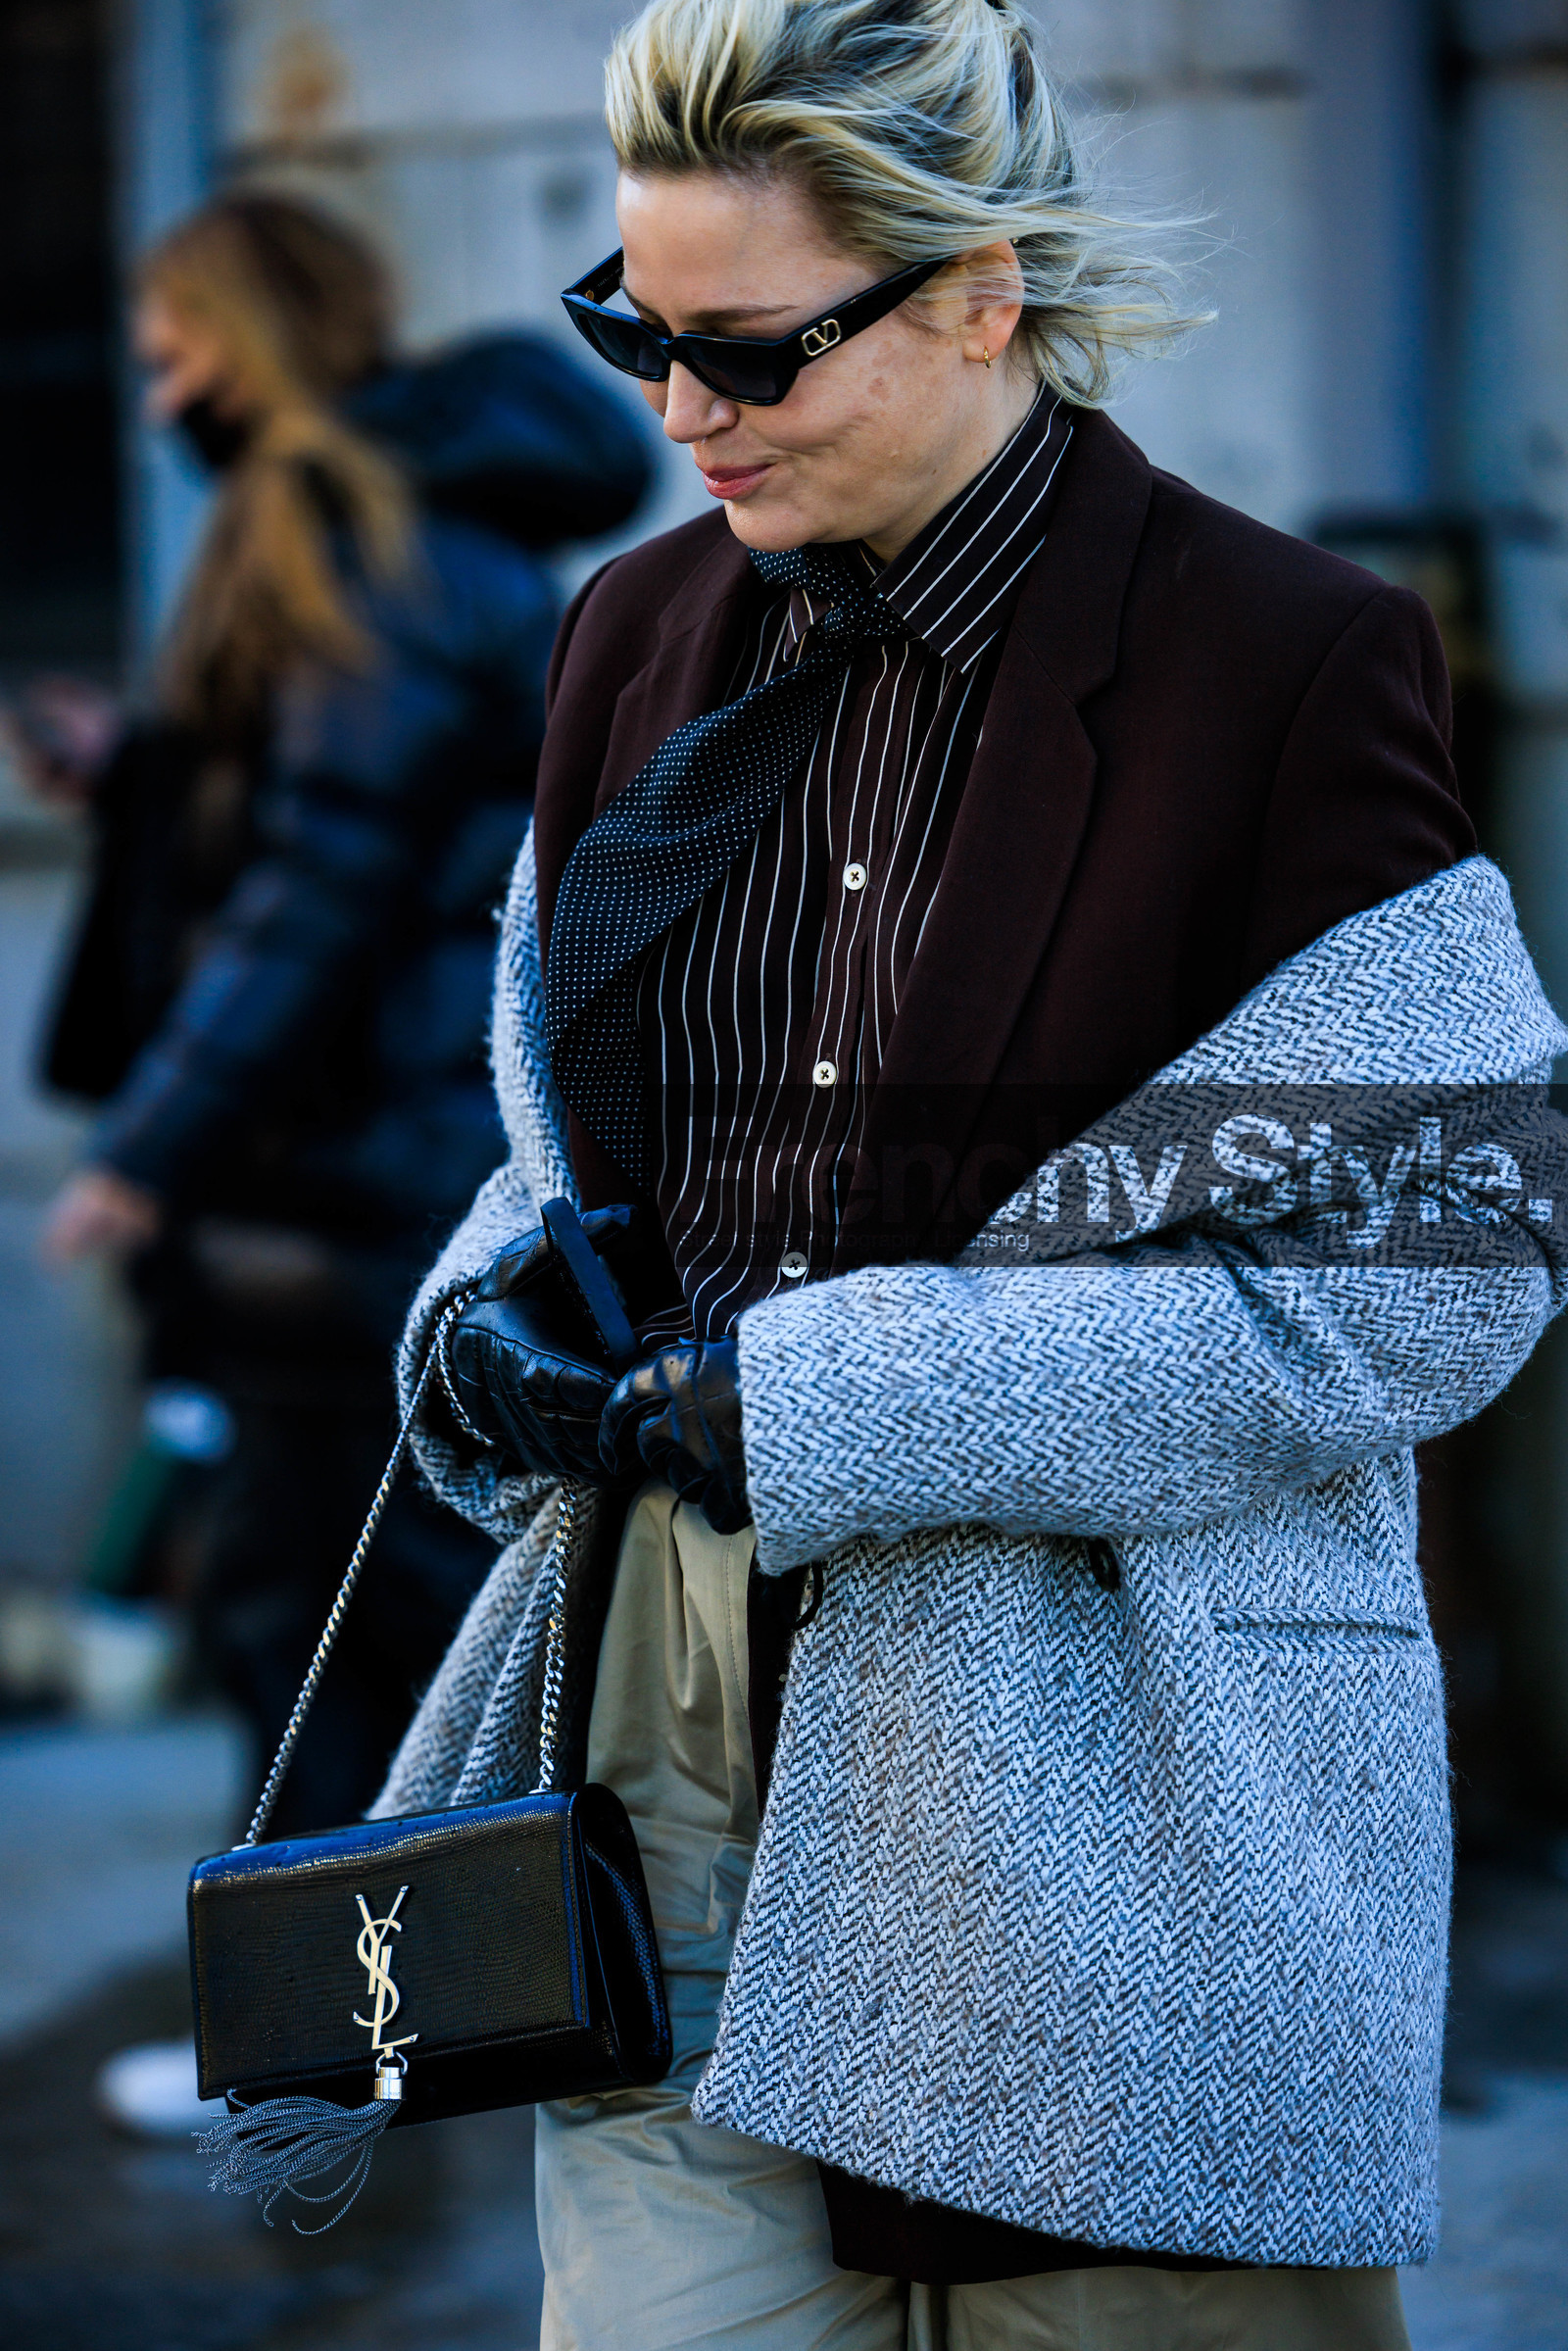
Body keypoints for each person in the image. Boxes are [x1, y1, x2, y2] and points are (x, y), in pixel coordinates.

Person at [372, 4, 1568, 2346]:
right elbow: (563, 1135)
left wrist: (841, 1399)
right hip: (660, 1692)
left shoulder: (1281, 660)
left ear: (975, 294)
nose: (676, 411)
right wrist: (500, 1304)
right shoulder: (631, 636)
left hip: (1110, 1741)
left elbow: (1439, 1257)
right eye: (628, 330)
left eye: (747, 350)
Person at [31, 191, 652, 1834]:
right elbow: (336, 817)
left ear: (253, 342)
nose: (162, 401)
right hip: (381, 1159)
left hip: (351, 1178)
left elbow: (322, 885)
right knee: (346, 1616)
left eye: (179, 358)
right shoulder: (408, 538)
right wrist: (141, 778)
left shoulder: (351, 543)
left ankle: (337, 2038)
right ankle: (370, 2020)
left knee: (317, 1625)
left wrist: (146, 1151)